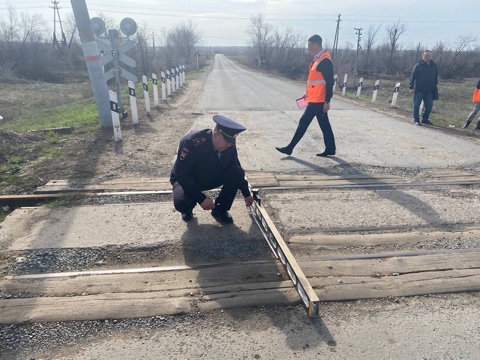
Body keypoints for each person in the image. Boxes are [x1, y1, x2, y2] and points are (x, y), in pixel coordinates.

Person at [170, 115, 254, 223]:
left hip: (211, 175)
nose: (229, 145)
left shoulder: (229, 144)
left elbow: (236, 167)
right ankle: (187, 209)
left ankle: (220, 209)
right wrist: (201, 198)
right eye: (227, 141)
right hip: (188, 178)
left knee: (237, 172)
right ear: (215, 135)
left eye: (231, 142)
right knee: (183, 203)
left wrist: (246, 194)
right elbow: (182, 174)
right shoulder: (191, 142)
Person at [276, 34, 336, 157]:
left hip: (319, 100)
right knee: (324, 124)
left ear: (316, 45)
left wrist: (327, 101)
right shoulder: (317, 59)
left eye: (309, 46)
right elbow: (315, 81)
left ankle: (290, 148)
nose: (307, 48)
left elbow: (330, 82)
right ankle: (330, 148)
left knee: (303, 122)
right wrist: (307, 93)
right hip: (314, 97)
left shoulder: (324, 60)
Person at [409, 50, 439, 126]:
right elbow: (413, 77)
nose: (427, 57)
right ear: (423, 56)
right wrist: (411, 87)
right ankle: (416, 120)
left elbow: (436, 76)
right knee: (416, 105)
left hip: (430, 90)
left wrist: (435, 84)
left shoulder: (434, 65)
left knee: (429, 106)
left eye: (429, 56)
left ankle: (425, 119)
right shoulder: (418, 65)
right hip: (419, 89)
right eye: (426, 56)